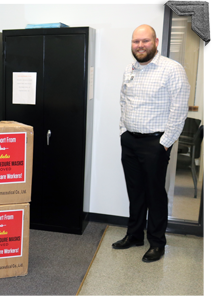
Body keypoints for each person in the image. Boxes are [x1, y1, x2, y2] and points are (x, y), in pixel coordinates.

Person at [113, 25, 190, 262]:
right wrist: (123, 130)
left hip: (155, 143)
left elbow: (179, 110)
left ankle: (157, 242)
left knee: (155, 194)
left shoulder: (172, 69)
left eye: (145, 41)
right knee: (135, 192)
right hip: (130, 141)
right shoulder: (130, 68)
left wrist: (165, 143)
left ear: (156, 41)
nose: (140, 46)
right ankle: (135, 235)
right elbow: (124, 100)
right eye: (136, 41)